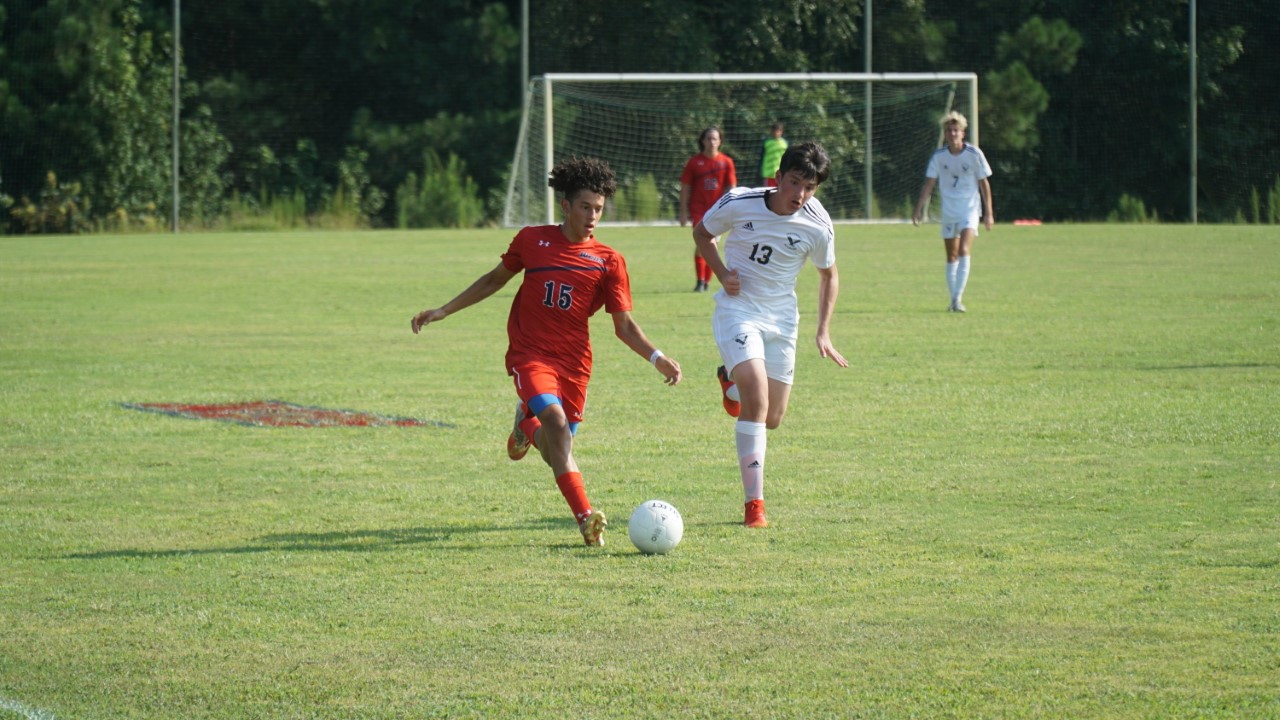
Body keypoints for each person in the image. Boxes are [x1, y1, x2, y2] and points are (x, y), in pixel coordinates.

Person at [411, 156, 682, 547]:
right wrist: (442, 311)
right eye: (586, 207)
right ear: (566, 205)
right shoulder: (532, 240)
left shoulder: (609, 261)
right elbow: (493, 280)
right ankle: (587, 519)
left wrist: (658, 358)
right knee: (555, 424)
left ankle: (526, 426)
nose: (592, 216)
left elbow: (623, 325)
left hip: (574, 362)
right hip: (530, 353)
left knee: (556, 448)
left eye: (599, 209)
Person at [692, 141, 848, 529]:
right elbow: (702, 234)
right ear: (777, 177)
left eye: (809, 188)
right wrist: (721, 273)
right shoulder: (739, 202)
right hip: (739, 310)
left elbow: (829, 276)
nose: (800, 195)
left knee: (772, 418)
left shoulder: (818, 223)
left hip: (782, 320)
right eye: (794, 183)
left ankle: (731, 383)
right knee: (757, 402)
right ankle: (754, 506)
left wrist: (823, 331)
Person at [911, 111, 994, 313]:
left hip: (970, 210)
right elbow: (929, 184)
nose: (952, 133)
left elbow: (984, 184)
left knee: (964, 250)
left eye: (956, 130)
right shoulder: (939, 157)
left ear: (963, 133)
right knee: (951, 256)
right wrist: (918, 209)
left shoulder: (974, 154)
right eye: (949, 130)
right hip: (949, 211)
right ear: (945, 134)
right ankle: (953, 299)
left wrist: (989, 213)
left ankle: (957, 300)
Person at [679, 126, 737, 292]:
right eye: (709, 138)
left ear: (720, 141)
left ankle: (707, 282)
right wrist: (683, 212)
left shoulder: (726, 162)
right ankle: (700, 281)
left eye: (715, 139)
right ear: (703, 141)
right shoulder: (694, 162)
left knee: (713, 246)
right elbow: (685, 187)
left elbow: (731, 188)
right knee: (702, 243)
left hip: (718, 210)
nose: (712, 142)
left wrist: (732, 209)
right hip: (698, 209)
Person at [758, 122, 788, 187]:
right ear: (772, 132)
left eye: (778, 131)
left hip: (780, 173)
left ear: (781, 132)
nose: (776, 133)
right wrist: (760, 169)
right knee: (768, 192)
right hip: (768, 174)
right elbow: (761, 157)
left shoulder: (784, 144)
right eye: (775, 131)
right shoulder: (767, 143)